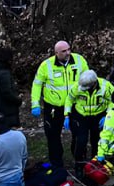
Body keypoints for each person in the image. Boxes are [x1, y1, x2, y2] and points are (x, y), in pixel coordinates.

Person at [31, 40, 87, 168]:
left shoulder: (79, 60)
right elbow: (37, 84)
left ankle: (80, 163)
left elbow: (87, 80)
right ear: (56, 53)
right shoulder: (47, 65)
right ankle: (57, 166)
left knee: (79, 135)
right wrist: (35, 103)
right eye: (64, 51)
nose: (68, 53)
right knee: (53, 136)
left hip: (75, 105)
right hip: (54, 107)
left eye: (69, 49)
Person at [71, 69, 114, 173]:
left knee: (96, 141)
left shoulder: (106, 86)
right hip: (82, 116)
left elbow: (111, 102)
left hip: (98, 116)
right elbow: (69, 100)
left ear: (94, 83)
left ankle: (96, 165)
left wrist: (108, 115)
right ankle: (79, 166)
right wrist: (67, 116)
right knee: (81, 141)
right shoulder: (78, 86)